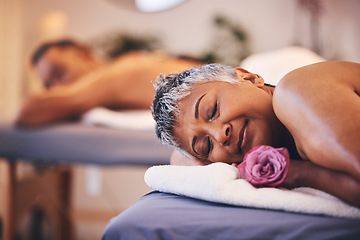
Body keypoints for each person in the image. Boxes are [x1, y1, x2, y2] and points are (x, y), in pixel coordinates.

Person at [151, 61, 360, 208]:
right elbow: (178, 159)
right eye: (206, 145)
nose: (219, 135)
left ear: (249, 77)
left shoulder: (296, 91)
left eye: (213, 110)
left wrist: (293, 173)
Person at [15, 39, 203, 128]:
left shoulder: (118, 72)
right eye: (49, 85)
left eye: (60, 72)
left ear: (85, 54)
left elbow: (27, 111)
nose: (58, 88)